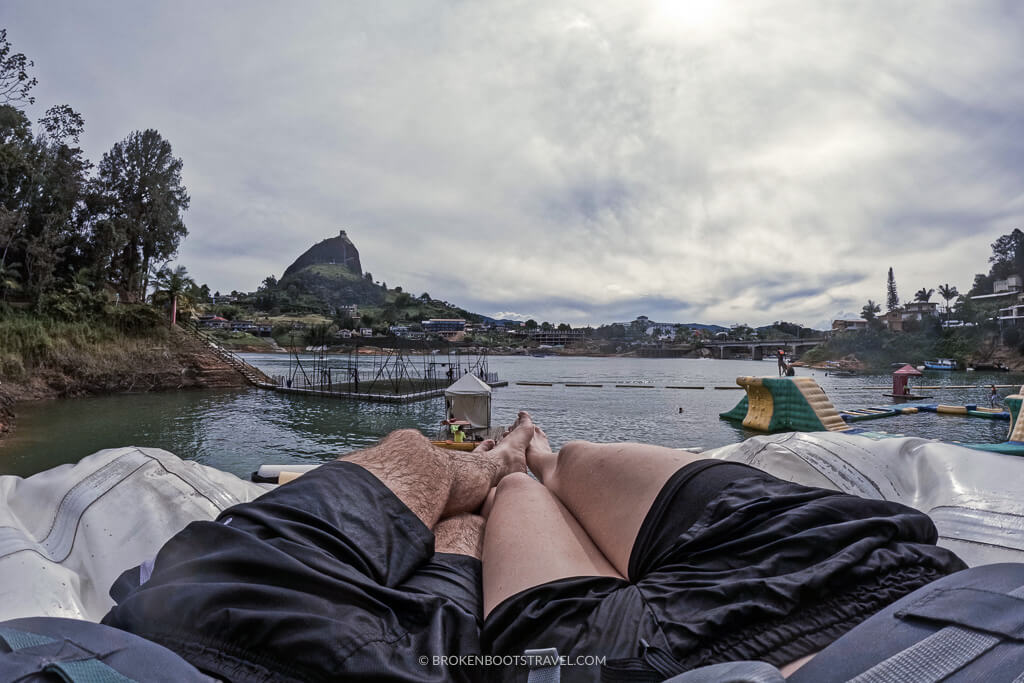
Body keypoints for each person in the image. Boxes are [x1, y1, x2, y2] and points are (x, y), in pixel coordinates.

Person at [102, 413, 966, 682]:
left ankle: (511, 468)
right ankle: (530, 462)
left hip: (624, 658)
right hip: (895, 587)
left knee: (433, 475)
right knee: (493, 487)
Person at [481, 420, 967, 681]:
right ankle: (541, 455)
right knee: (575, 457)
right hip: (881, 563)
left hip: (669, 656)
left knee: (516, 490)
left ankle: (508, 463)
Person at [102, 416, 537, 682]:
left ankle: (491, 465)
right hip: (210, 615)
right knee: (459, 508)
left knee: (422, 461)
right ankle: (498, 464)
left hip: (173, 617)